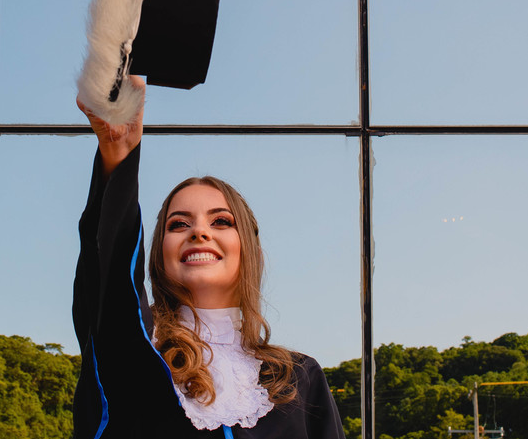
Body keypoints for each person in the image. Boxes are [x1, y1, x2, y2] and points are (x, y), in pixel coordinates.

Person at [73, 76, 348, 439]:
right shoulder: (136, 351)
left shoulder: (299, 377)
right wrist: (118, 151)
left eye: (221, 221)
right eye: (178, 224)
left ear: (249, 250)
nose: (199, 232)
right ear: (158, 254)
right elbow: (110, 280)